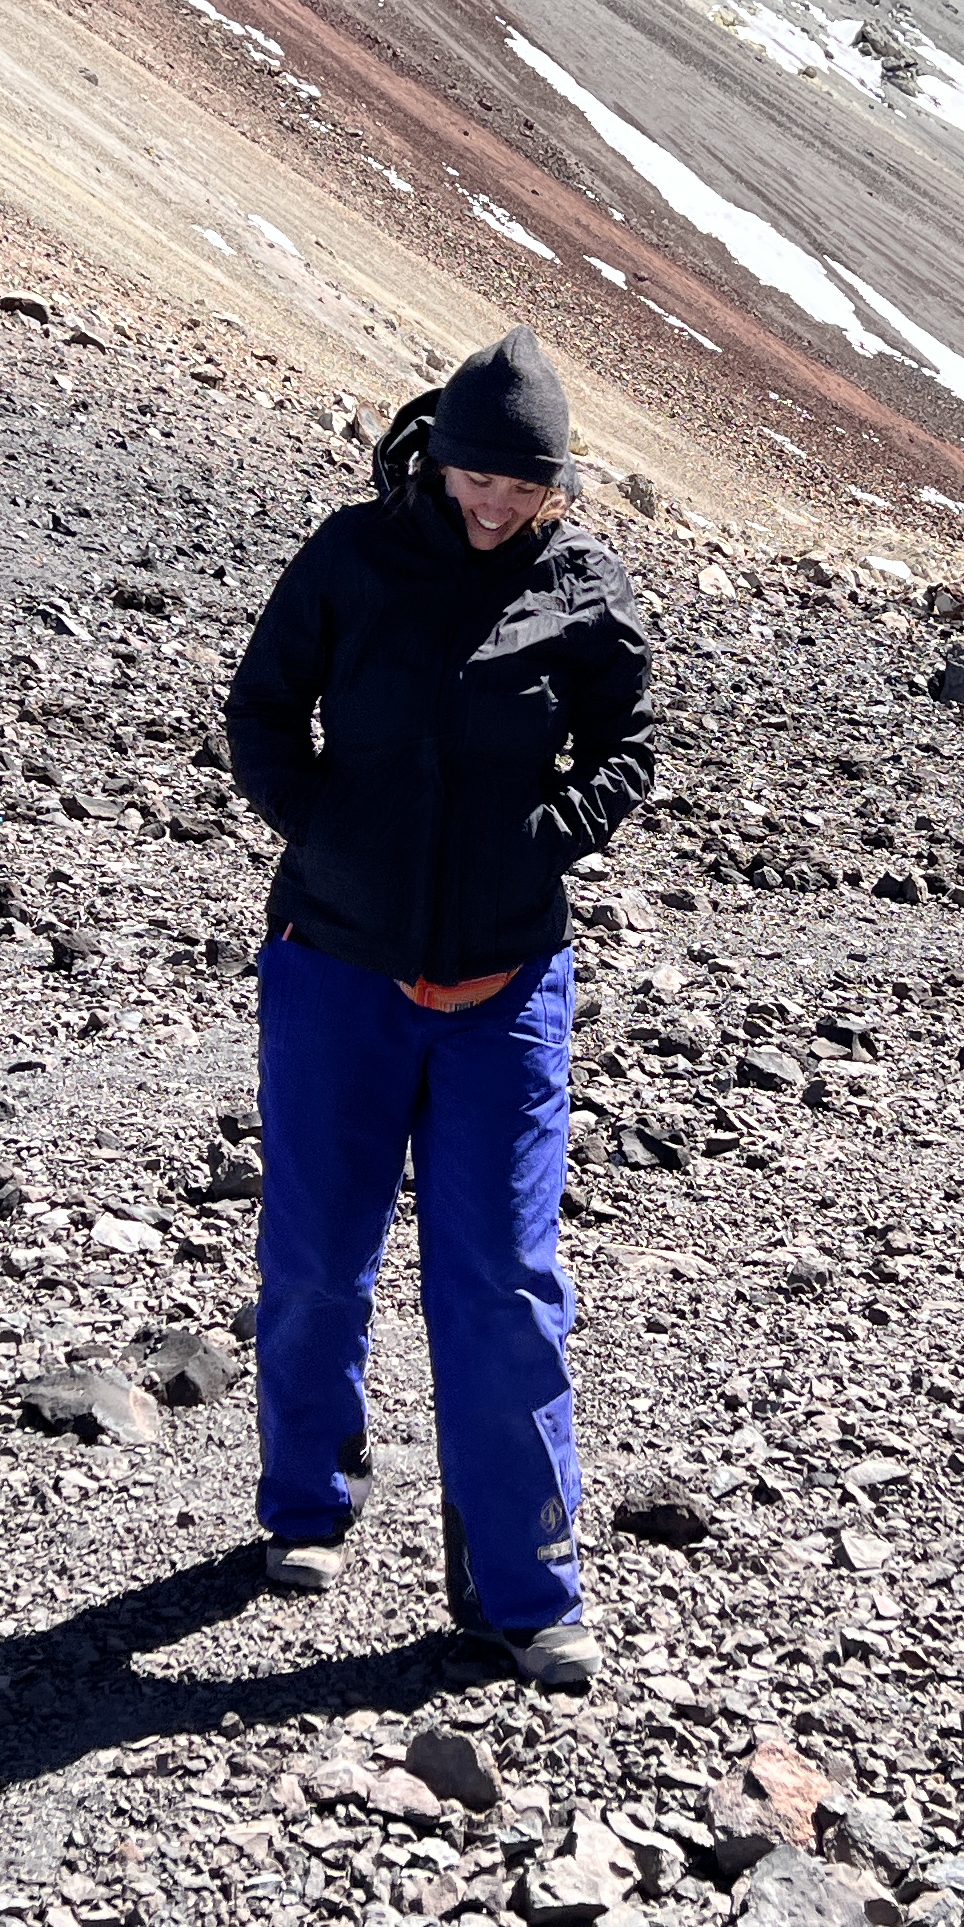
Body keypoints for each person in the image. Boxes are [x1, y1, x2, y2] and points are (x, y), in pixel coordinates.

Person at [223, 325, 656, 1691]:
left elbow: (631, 737)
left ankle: (522, 1588)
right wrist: (325, 832)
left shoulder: (582, 583)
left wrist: (552, 838)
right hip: (337, 970)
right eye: (477, 477)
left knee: (504, 1287)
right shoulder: (353, 556)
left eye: (522, 486)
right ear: (435, 457)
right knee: (314, 1257)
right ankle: (309, 1504)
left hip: (505, 988)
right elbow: (262, 712)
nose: (494, 505)